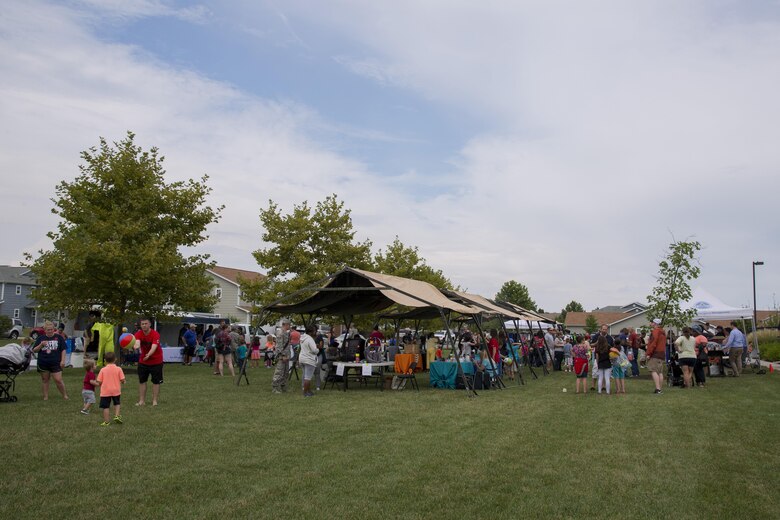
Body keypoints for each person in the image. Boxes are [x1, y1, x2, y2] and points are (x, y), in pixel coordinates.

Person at [32, 320, 69, 401]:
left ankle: (65, 395)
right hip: (43, 362)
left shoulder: (59, 337)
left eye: (51, 329)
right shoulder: (41, 338)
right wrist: (41, 345)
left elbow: (63, 349)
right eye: (48, 329)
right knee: (45, 380)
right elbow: (34, 350)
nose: (50, 331)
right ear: (45, 330)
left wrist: (63, 360)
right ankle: (45, 397)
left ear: (54, 329)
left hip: (56, 362)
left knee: (58, 379)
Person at [134, 317, 163, 406]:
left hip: (156, 361)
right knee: (142, 381)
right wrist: (136, 345)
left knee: (156, 381)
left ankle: (154, 401)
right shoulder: (138, 334)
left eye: (146, 324)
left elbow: (154, 346)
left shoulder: (155, 334)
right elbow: (137, 342)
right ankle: (142, 401)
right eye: (142, 324)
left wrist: (149, 355)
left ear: (150, 324)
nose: (144, 325)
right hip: (143, 362)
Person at [95, 351, 125, 426]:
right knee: (117, 403)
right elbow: (122, 379)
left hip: (105, 391)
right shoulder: (119, 369)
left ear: (105, 360)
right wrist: (123, 382)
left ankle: (107, 421)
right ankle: (117, 415)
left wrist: (97, 384)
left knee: (105, 406)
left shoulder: (103, 370)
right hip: (116, 390)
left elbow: (99, 381)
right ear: (115, 359)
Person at [646, 318, 667, 394]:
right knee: (660, 372)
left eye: (651, 322)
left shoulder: (655, 332)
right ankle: (659, 389)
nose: (650, 323)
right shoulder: (663, 332)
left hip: (655, 353)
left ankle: (658, 389)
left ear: (655, 323)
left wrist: (648, 353)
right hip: (661, 353)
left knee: (653, 370)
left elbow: (653, 343)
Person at [298, 324, 320, 397]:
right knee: (308, 378)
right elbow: (314, 350)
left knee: (305, 376)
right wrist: (317, 349)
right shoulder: (310, 339)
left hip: (302, 358)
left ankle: (308, 391)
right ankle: (305, 393)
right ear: (311, 332)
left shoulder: (302, 337)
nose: (315, 332)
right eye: (314, 331)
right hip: (309, 359)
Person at [272, 319, 292, 393]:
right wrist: (283, 355)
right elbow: (279, 346)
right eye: (289, 325)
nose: (290, 326)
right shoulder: (280, 333)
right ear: (285, 324)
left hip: (286, 355)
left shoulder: (286, 333)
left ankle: (283, 386)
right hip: (282, 356)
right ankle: (275, 388)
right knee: (279, 372)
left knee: (285, 372)